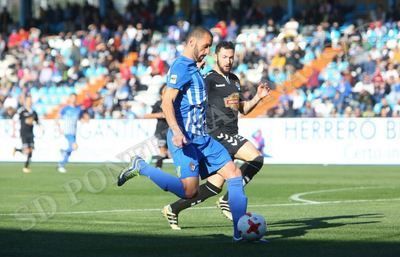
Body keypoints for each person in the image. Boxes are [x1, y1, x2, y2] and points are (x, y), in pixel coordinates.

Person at [117, 27, 247, 241]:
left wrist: (198, 67)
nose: (207, 51)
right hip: (184, 139)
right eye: (205, 46)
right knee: (190, 192)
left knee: (234, 174)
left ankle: (240, 232)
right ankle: (141, 167)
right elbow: (167, 101)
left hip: (203, 138)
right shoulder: (180, 66)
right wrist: (177, 131)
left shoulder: (193, 67)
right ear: (192, 43)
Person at [162, 41, 270, 230]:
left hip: (231, 132)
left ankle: (173, 209)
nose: (228, 61)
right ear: (216, 57)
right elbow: (183, 93)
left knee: (214, 185)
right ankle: (228, 200)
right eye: (224, 57)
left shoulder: (235, 80)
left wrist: (258, 98)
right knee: (256, 158)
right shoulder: (208, 78)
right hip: (216, 132)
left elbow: (242, 108)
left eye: (231, 57)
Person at [142, 84, 170, 168]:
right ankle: (158, 169)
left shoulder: (173, 103)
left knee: (167, 154)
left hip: (172, 131)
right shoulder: (158, 104)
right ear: (162, 92)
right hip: (161, 132)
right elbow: (147, 115)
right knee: (163, 152)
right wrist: (161, 115)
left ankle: (152, 158)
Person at [13, 96, 39, 173]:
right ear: (25, 102)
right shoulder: (21, 111)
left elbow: (37, 121)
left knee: (31, 150)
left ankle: (26, 167)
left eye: (30, 101)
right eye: (28, 100)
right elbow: (14, 119)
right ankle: (18, 151)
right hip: (23, 133)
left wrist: (34, 122)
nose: (29, 102)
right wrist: (14, 130)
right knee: (27, 150)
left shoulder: (34, 112)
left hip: (31, 133)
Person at [57, 93, 82, 173]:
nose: (74, 99)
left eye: (75, 98)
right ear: (70, 99)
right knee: (74, 146)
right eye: (72, 98)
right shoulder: (66, 109)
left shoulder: (78, 108)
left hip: (74, 131)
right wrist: (59, 128)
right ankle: (63, 154)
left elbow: (81, 117)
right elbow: (58, 118)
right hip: (67, 131)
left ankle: (61, 165)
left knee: (70, 150)